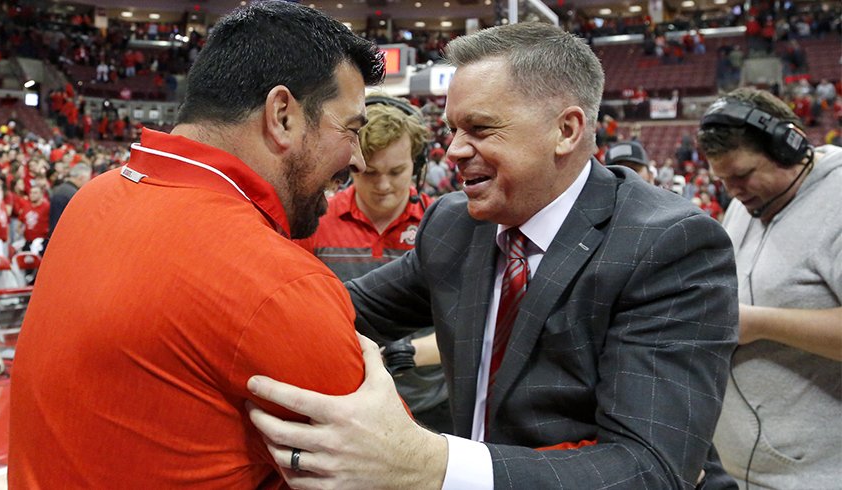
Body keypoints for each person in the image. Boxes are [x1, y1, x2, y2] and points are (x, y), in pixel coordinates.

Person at [247, 22, 739, 489]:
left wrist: (430, 465)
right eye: (453, 129)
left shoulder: (671, 246)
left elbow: (648, 470)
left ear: (566, 131)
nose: (453, 152)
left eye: (480, 128)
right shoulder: (455, 224)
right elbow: (342, 310)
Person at [8, 2, 384, 488]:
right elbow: (394, 468)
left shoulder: (92, 197)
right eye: (352, 129)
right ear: (283, 116)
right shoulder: (276, 282)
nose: (357, 157)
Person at [697, 87, 842, 489]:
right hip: (743, 469)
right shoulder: (747, 205)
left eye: (742, 175)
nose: (733, 190)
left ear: (790, 144)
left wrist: (758, 323)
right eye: (723, 180)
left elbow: (748, 318)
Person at [297, 96, 451, 433]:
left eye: (396, 172)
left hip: (430, 406)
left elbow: (469, 326)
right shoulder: (315, 222)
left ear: (417, 165)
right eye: (371, 173)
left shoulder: (444, 226)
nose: (383, 186)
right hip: (345, 405)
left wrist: (405, 352)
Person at [46, 162, 90, 243]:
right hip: (64, 238)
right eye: (87, 180)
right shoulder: (74, 194)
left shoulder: (60, 189)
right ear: (82, 177)